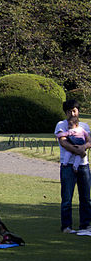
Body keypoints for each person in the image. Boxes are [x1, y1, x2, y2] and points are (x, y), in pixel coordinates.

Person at [55, 99, 91, 233]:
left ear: (78, 111)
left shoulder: (84, 126)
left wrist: (84, 147)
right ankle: (66, 226)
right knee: (67, 197)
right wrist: (79, 150)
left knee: (86, 197)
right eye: (69, 111)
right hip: (67, 165)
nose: (72, 113)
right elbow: (63, 142)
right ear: (65, 113)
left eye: (74, 110)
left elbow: (89, 141)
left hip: (83, 165)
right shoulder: (61, 125)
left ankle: (86, 224)